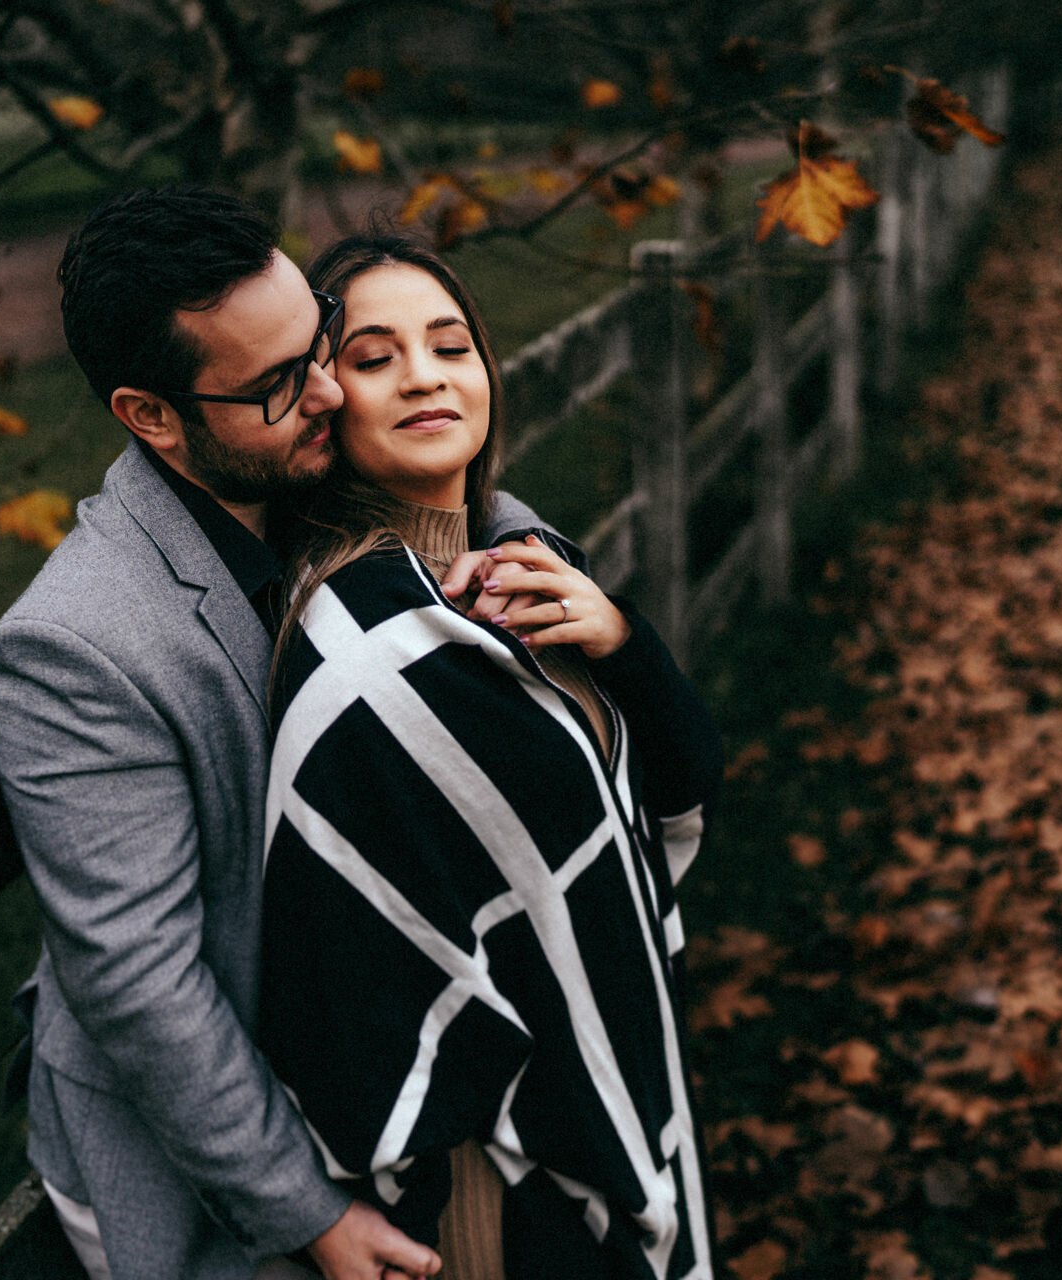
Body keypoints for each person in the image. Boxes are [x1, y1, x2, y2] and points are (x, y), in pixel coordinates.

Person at [0, 188, 558, 1280]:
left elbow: (472, 496)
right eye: (282, 382)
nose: (333, 391)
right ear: (153, 416)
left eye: (322, 338)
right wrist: (310, 1214)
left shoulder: (296, 455)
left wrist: (528, 564)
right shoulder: (78, 644)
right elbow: (141, 981)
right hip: (218, 1147)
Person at [260, 235, 721, 1280]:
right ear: (326, 402)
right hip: (493, 1174)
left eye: (450, 343)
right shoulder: (369, 643)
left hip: (594, 1088)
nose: (424, 373)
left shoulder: (524, 566)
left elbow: (681, 778)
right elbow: (358, 961)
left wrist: (623, 641)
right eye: (374, 357)